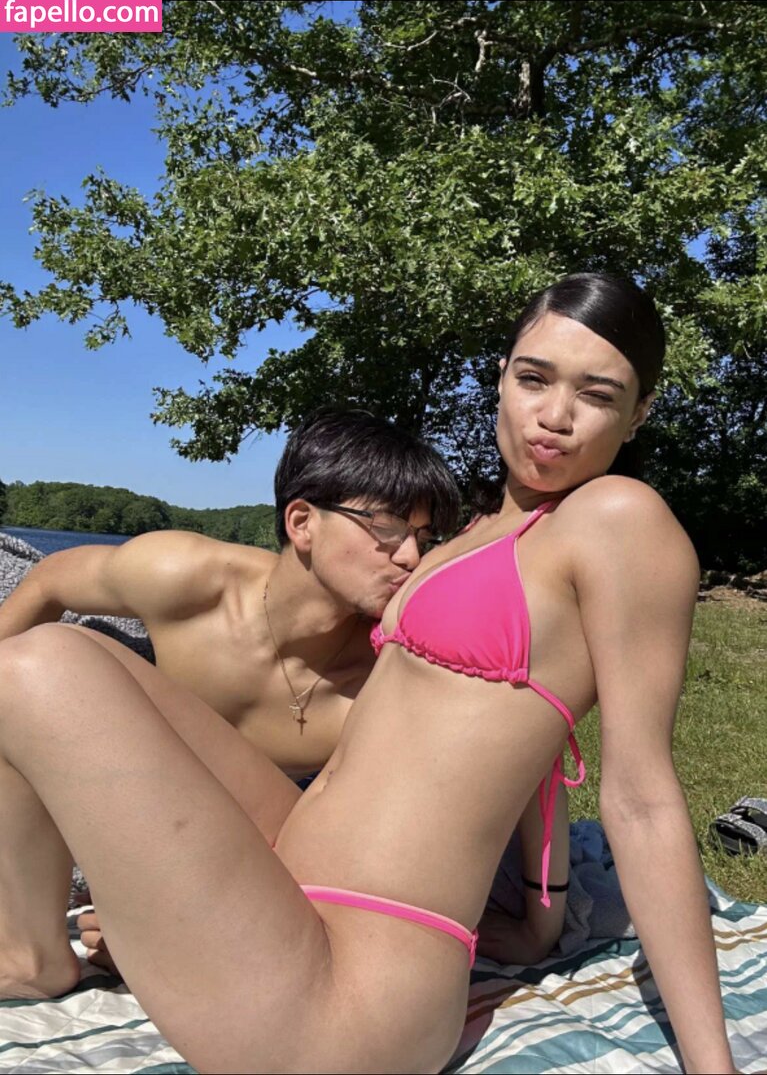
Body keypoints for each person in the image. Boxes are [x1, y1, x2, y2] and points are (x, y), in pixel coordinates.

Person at [0, 274, 736, 1074]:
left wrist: (711, 1066)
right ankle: (38, 949)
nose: (554, 416)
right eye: (534, 378)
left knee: (40, 667)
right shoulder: (478, 532)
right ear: (500, 376)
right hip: (286, 877)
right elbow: (521, 753)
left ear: (639, 412)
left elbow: (640, 797)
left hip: (359, 979)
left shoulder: (617, 518)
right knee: (76, 659)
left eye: (596, 394)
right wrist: (540, 918)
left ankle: (38, 956)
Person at [0, 409, 459, 779]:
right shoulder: (187, 577)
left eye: (424, 537)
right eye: (386, 525)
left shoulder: (379, 679)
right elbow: (51, 578)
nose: (411, 557)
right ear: (302, 523)